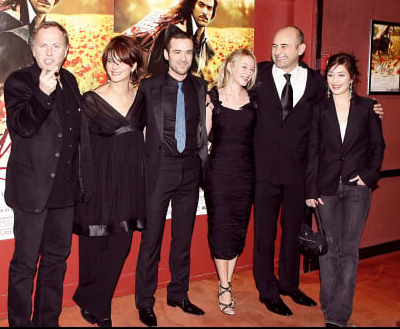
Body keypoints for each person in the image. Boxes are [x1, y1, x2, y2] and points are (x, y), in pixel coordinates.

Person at [252, 26, 384, 317]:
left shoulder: (315, 81)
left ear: (301, 48)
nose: (278, 51)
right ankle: (268, 291)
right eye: (275, 45)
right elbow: (229, 84)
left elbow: (344, 107)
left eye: (286, 46)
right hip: (264, 170)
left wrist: (374, 110)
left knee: (294, 233)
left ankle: (289, 285)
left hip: (300, 172)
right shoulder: (258, 74)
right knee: (264, 234)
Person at [3, 21, 82, 327]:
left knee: (56, 262)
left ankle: (47, 321)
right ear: (33, 49)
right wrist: (42, 94)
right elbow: (22, 126)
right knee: (25, 265)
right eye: (43, 45)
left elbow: (75, 135)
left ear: (65, 50)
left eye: (56, 46)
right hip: (32, 191)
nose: (50, 52)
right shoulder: (19, 81)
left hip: (64, 193)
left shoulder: (71, 81)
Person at [304, 53, 385, 328]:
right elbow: (312, 150)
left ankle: (337, 317)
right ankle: (329, 301)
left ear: (352, 78)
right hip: (326, 187)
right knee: (329, 249)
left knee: (349, 250)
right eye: (331, 74)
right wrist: (310, 189)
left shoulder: (368, 107)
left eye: (341, 74)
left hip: (356, 188)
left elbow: (378, 147)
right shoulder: (319, 109)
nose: (335, 80)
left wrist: (368, 177)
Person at [135, 30, 209, 327]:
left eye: (188, 52)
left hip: (190, 169)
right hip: (159, 169)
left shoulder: (201, 87)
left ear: (194, 55)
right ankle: (144, 300)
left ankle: (178, 293)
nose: (182, 58)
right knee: (151, 239)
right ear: (166, 54)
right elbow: (135, 128)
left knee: (183, 238)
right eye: (177, 52)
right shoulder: (148, 87)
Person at [72, 35, 147, 327]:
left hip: (129, 184)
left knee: (121, 247)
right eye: (110, 60)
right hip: (98, 183)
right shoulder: (91, 99)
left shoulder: (142, 99)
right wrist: (83, 187)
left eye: (122, 61)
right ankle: (98, 305)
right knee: (93, 247)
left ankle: (89, 296)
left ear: (134, 64)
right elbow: (80, 147)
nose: (114, 67)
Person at [204, 48, 258, 316]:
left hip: (246, 172)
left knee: (238, 227)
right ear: (230, 66)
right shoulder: (213, 97)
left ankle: (228, 280)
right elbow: (202, 139)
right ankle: (224, 285)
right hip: (219, 172)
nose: (247, 73)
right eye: (244, 67)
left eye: (251, 68)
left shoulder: (255, 99)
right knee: (220, 226)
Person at [125, 0, 217, 77]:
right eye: (201, 5)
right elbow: (158, 71)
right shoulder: (174, 31)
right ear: (192, 6)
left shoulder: (205, 41)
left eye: (209, 8)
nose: (205, 12)